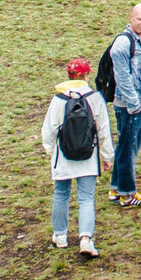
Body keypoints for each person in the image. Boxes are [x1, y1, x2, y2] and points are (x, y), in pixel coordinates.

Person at [41, 58, 109, 257]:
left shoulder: (58, 99)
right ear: (86, 75)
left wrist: (50, 149)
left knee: (61, 194)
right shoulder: (94, 98)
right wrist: (106, 155)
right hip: (88, 156)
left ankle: (60, 235)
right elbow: (103, 129)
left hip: (63, 157)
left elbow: (49, 130)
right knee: (86, 197)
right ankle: (86, 238)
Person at [107, 2, 141, 209]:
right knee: (129, 148)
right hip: (129, 105)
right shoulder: (123, 44)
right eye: (140, 19)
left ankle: (116, 187)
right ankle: (127, 194)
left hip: (139, 102)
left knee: (125, 144)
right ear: (131, 17)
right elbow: (123, 77)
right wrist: (134, 104)